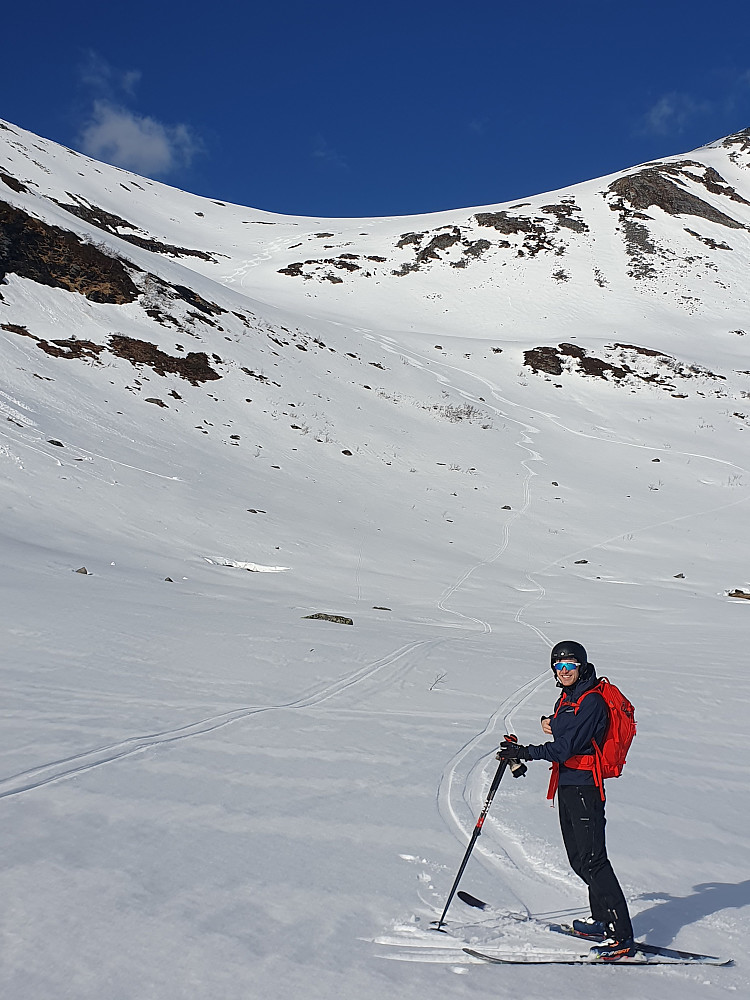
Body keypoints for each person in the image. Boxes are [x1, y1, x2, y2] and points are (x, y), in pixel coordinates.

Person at [495, 640, 635, 961]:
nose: (564, 671)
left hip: (586, 786)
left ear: (581, 666)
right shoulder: (567, 697)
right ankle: (600, 920)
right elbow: (564, 728)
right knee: (578, 859)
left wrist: (524, 752)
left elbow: (564, 748)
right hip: (567, 785)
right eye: (558, 667)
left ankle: (622, 935)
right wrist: (550, 721)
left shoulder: (592, 702)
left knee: (595, 861)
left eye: (570, 665)